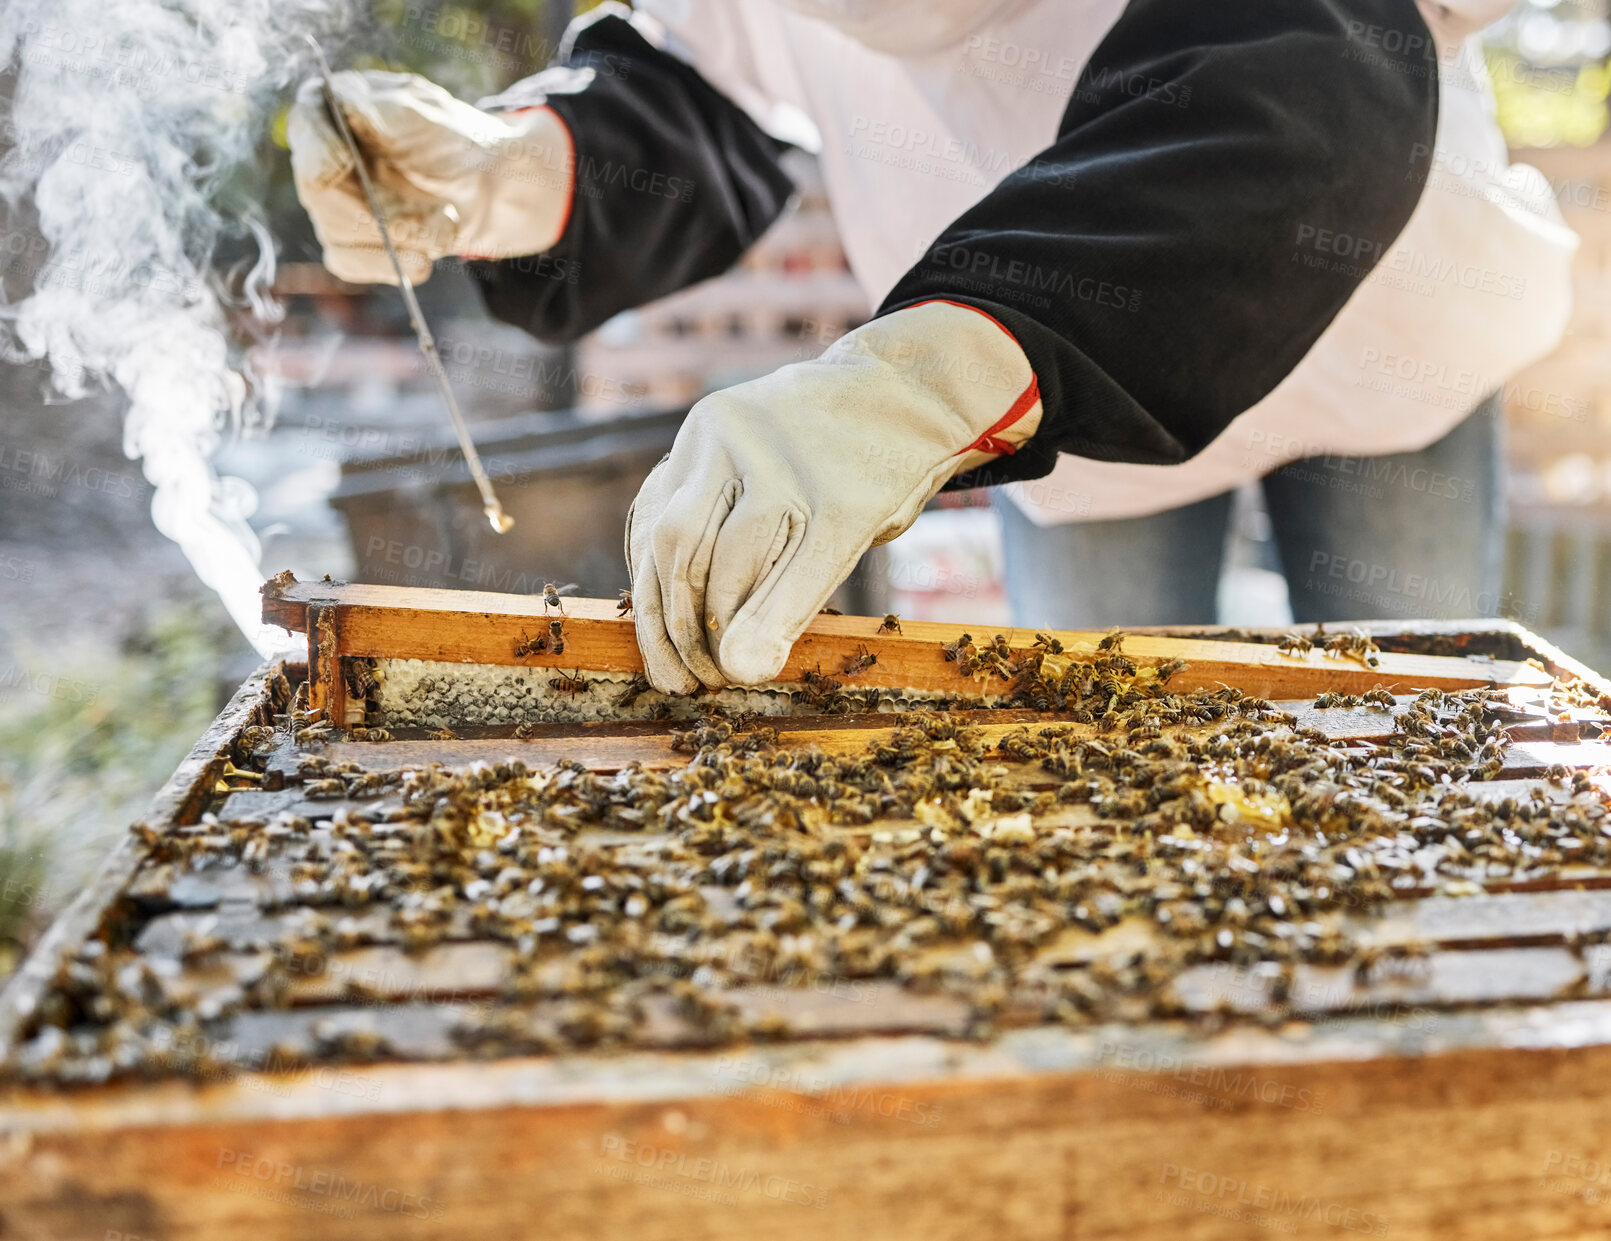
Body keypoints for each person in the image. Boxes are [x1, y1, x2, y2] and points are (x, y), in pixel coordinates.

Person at [288, 0, 1576, 691]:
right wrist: (511, 168)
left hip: (1374, 327)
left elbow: (1305, 80)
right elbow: (698, 88)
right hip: (1055, 408)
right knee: (1105, 774)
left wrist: (924, 380)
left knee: (1421, 720)